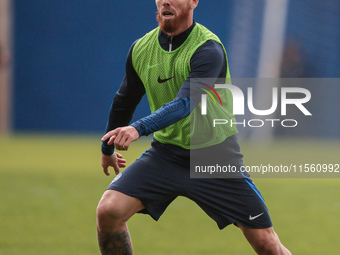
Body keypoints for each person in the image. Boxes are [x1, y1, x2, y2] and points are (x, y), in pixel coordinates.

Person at [97, 0, 292, 254]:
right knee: (109, 210)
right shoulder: (141, 49)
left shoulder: (208, 49)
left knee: (267, 244)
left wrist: (138, 128)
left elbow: (186, 103)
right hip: (166, 155)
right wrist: (107, 148)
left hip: (214, 155)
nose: (165, 0)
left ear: (193, 2)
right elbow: (124, 100)